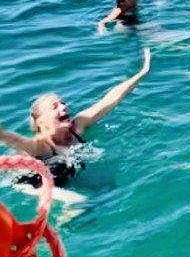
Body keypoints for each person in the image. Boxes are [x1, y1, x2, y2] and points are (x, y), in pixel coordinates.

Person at [0, 49, 151, 182]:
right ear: (41, 122)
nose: (64, 106)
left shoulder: (78, 126)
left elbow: (110, 100)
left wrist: (142, 73)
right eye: (55, 107)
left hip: (62, 173)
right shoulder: (41, 146)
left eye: (63, 103)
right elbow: (15, 141)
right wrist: (2, 134)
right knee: (77, 201)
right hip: (30, 181)